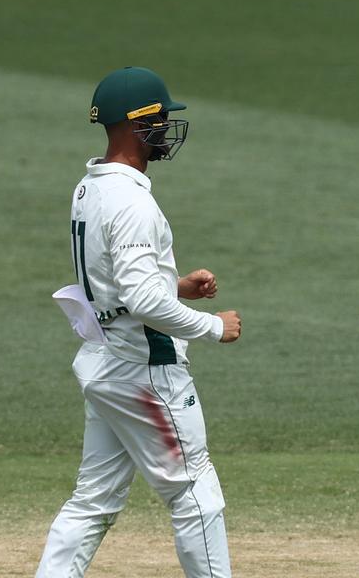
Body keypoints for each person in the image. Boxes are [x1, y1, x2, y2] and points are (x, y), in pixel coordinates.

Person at [36, 66, 243, 578]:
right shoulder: (131, 202)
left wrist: (174, 286)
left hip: (107, 363)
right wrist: (212, 325)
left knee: (93, 501)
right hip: (146, 374)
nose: (166, 129)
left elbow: (111, 285)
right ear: (134, 125)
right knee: (196, 494)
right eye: (158, 119)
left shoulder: (89, 189)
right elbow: (143, 301)